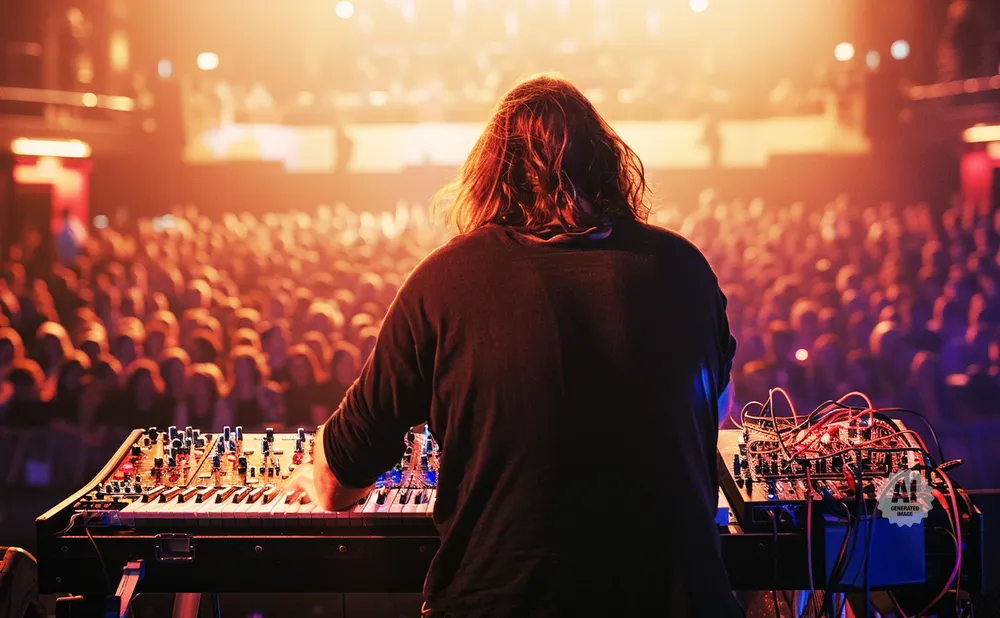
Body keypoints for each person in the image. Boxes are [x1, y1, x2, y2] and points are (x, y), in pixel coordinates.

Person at [289, 73, 742, 617]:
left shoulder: (444, 282)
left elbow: (339, 482)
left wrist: (316, 470)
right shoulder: (684, 269)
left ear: (489, 174)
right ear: (608, 165)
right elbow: (715, 414)